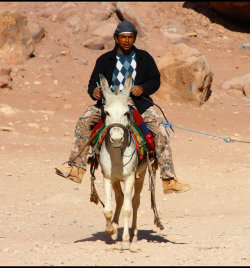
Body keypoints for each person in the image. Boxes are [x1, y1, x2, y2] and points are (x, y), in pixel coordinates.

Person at [55, 20, 190, 194]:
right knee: (84, 120)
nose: (126, 40)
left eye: (130, 37)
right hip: (108, 104)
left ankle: (168, 179)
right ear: (116, 39)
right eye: (123, 37)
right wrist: (95, 91)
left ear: (134, 38)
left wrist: (143, 88)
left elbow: (155, 80)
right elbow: (92, 83)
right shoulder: (104, 60)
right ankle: (76, 167)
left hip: (137, 104)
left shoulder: (144, 58)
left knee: (161, 130)